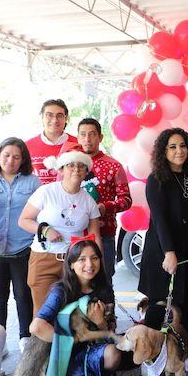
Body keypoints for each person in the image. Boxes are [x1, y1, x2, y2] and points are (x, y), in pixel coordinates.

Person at [138, 128, 188, 374]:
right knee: (160, 304)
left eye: (182, 146)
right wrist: (169, 252)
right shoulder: (156, 179)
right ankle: (149, 359)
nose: (179, 151)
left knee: (186, 304)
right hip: (163, 252)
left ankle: (184, 354)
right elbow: (159, 219)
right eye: (172, 147)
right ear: (163, 151)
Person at [29, 238, 121, 376]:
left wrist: (100, 322)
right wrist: (72, 339)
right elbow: (36, 327)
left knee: (113, 354)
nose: (89, 264)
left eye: (94, 258)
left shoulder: (104, 289)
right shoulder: (61, 291)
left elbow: (110, 329)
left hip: (88, 351)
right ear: (71, 264)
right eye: (82, 259)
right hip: (63, 357)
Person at [18, 144, 101, 316]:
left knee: (70, 315)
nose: (76, 169)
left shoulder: (89, 201)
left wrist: (98, 264)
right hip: (44, 259)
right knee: (43, 314)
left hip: (74, 262)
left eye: (81, 166)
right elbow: (23, 220)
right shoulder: (46, 192)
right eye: (71, 165)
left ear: (86, 172)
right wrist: (44, 230)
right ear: (61, 169)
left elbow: (95, 238)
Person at [0, 137, 41, 353]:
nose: (10, 160)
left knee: (23, 296)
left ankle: (25, 338)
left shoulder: (32, 183)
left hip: (23, 249)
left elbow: (42, 213)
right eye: (6, 155)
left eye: (16, 157)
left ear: (23, 159)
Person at [77, 118, 132, 281]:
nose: (87, 139)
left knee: (104, 283)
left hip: (104, 234)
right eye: (83, 134)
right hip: (74, 234)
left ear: (100, 137)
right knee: (76, 285)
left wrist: (105, 207)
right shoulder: (70, 165)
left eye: (92, 134)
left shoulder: (114, 166)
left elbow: (126, 200)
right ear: (78, 138)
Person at [25, 99, 78, 185]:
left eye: (59, 116)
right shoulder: (27, 147)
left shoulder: (78, 145)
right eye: (49, 115)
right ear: (42, 117)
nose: (54, 120)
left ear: (66, 118)